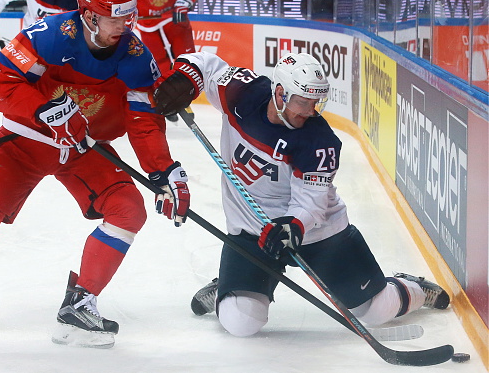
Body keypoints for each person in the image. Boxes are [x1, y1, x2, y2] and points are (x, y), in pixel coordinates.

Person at [0, 0, 191, 349]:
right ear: (90, 16)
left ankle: (79, 302)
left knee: (128, 209)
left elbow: (143, 121)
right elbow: (0, 86)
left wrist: (162, 170)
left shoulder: (137, 55)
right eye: (116, 18)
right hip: (24, 141)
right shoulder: (50, 35)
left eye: (129, 16)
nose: (126, 26)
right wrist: (46, 110)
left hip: (82, 148)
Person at [152, 51, 450, 337]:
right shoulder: (240, 91)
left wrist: (295, 224)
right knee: (240, 321)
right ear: (280, 93)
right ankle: (230, 286)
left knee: (374, 311)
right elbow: (206, 64)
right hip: (252, 231)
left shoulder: (319, 141)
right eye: (303, 102)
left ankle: (412, 289)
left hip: (318, 234)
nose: (310, 111)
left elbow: (312, 201)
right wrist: (185, 78)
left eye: (316, 103)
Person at [122, 0, 200, 122]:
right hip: (147, 23)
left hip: (174, 18)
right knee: (158, 63)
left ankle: (184, 97)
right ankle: (168, 97)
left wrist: (185, 2)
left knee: (186, 58)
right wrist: (127, 13)